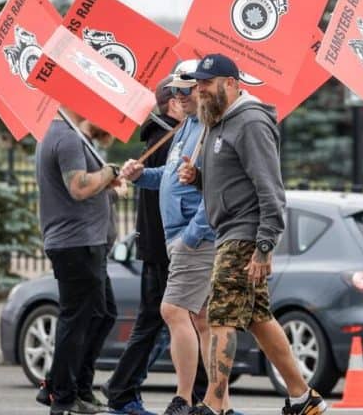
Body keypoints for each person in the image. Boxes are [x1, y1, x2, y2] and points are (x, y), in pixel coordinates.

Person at [177, 53, 326, 415]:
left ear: (230, 83)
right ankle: (303, 397)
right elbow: (231, 184)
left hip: (244, 235)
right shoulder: (218, 122)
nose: (199, 91)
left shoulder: (251, 123)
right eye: (196, 85)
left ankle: (212, 403)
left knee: (222, 316)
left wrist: (264, 245)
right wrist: (198, 180)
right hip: (231, 230)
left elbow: (270, 188)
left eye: (206, 84)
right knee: (258, 318)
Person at [120, 71, 236, 415]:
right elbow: (171, 177)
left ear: (200, 90)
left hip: (193, 237)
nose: (180, 95)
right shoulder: (186, 127)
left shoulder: (208, 128)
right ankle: (219, 404)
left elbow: (216, 188)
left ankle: (184, 398)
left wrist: (192, 233)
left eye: (187, 89)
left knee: (172, 311)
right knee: (202, 319)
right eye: (176, 90)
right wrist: (142, 176)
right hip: (180, 236)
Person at [103, 75, 187, 415]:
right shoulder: (167, 138)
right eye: (185, 96)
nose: (192, 100)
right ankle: (122, 389)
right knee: (158, 320)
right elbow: (167, 191)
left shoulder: (164, 134)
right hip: (162, 244)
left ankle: (122, 387)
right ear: (173, 103)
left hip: (156, 243)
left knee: (160, 320)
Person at [34, 108, 122, 415]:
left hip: (87, 244)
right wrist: (108, 173)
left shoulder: (70, 137)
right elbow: (79, 187)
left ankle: (76, 386)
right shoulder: (67, 138)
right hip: (75, 244)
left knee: (103, 313)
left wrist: (107, 184)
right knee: (78, 318)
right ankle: (61, 393)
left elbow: (85, 185)